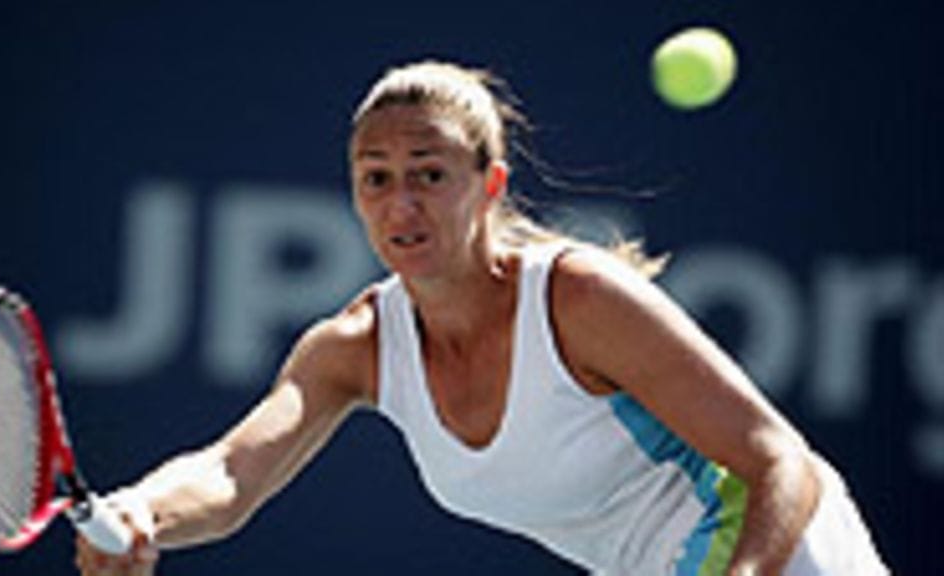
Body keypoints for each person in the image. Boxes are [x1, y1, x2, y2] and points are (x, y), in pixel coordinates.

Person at [75, 60, 888, 575]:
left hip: (780, 554)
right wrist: (142, 508)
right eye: (376, 178)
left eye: (429, 174)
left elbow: (779, 459)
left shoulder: (579, 300)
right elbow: (229, 475)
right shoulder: (352, 348)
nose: (402, 203)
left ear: (489, 185)